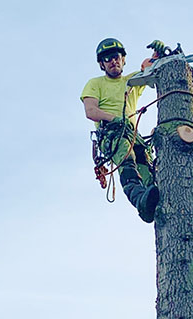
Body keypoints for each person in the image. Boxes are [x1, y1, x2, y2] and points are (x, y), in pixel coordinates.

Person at [81, 38, 166, 223]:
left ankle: (152, 200)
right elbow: (91, 111)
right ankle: (139, 200)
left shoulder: (131, 81)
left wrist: (158, 55)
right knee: (127, 159)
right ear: (102, 65)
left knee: (146, 170)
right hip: (113, 133)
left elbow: (150, 68)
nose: (113, 61)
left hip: (133, 135)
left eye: (116, 56)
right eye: (107, 59)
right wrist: (116, 119)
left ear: (123, 59)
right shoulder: (95, 84)